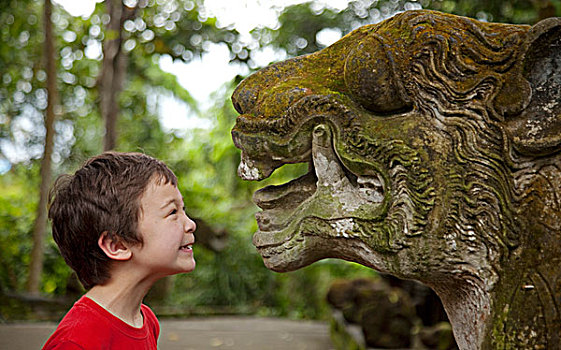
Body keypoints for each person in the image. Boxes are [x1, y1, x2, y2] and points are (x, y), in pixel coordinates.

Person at [42, 151, 196, 349]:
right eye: (172, 212)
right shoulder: (76, 341)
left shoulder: (145, 320)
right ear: (117, 245)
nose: (190, 224)